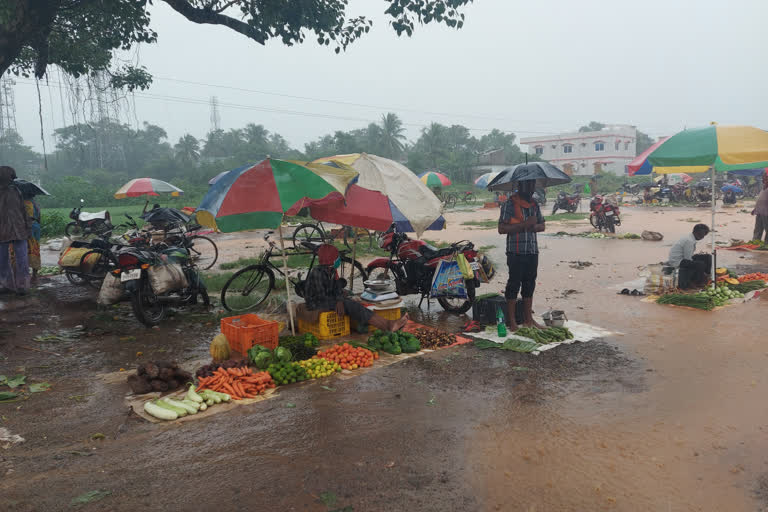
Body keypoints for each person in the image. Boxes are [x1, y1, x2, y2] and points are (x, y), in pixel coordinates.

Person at [304, 244, 408, 332]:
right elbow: (323, 296)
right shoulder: (317, 272)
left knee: (351, 299)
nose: (338, 259)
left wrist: (340, 298)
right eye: (337, 257)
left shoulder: (330, 270)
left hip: (327, 299)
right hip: (316, 303)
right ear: (332, 259)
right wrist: (339, 301)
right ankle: (387, 325)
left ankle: (381, 323)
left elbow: (335, 289)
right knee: (351, 305)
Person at [497, 179, 545, 331]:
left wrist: (533, 226)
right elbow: (501, 228)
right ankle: (512, 322)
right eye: (528, 185)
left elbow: (542, 225)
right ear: (519, 186)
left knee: (529, 284)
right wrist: (524, 225)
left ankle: (528, 320)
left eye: (532, 185)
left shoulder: (535, 204)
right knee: (513, 285)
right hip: (515, 252)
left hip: (532, 250)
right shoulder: (509, 204)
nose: (531, 188)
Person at [0, 166, 32, 295]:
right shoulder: (15, 191)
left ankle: (21, 286)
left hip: (17, 229)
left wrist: (28, 226)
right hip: (6, 230)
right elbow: (23, 211)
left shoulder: (16, 191)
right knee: (3, 259)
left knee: (21, 259)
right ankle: (10, 285)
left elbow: (23, 211)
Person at [668, 223, 711, 289]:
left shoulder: (691, 238)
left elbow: (689, 255)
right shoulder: (689, 241)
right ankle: (696, 282)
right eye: (702, 235)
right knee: (700, 264)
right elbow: (688, 258)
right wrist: (698, 264)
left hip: (683, 258)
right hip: (677, 261)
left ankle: (707, 275)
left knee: (707, 257)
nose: (703, 237)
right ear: (696, 232)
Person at [21, 188, 41, 281]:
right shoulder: (36, 204)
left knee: (24, 250)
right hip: (36, 227)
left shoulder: (23, 204)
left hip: (26, 228)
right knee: (35, 249)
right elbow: (39, 218)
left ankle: (24, 274)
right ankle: (34, 274)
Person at [751, 174, 768, 242]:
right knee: (758, 228)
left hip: (766, 212)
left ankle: (767, 243)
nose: (765, 180)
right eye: (764, 179)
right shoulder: (764, 188)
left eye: (766, 178)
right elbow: (760, 199)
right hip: (759, 211)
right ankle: (755, 241)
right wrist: (755, 209)